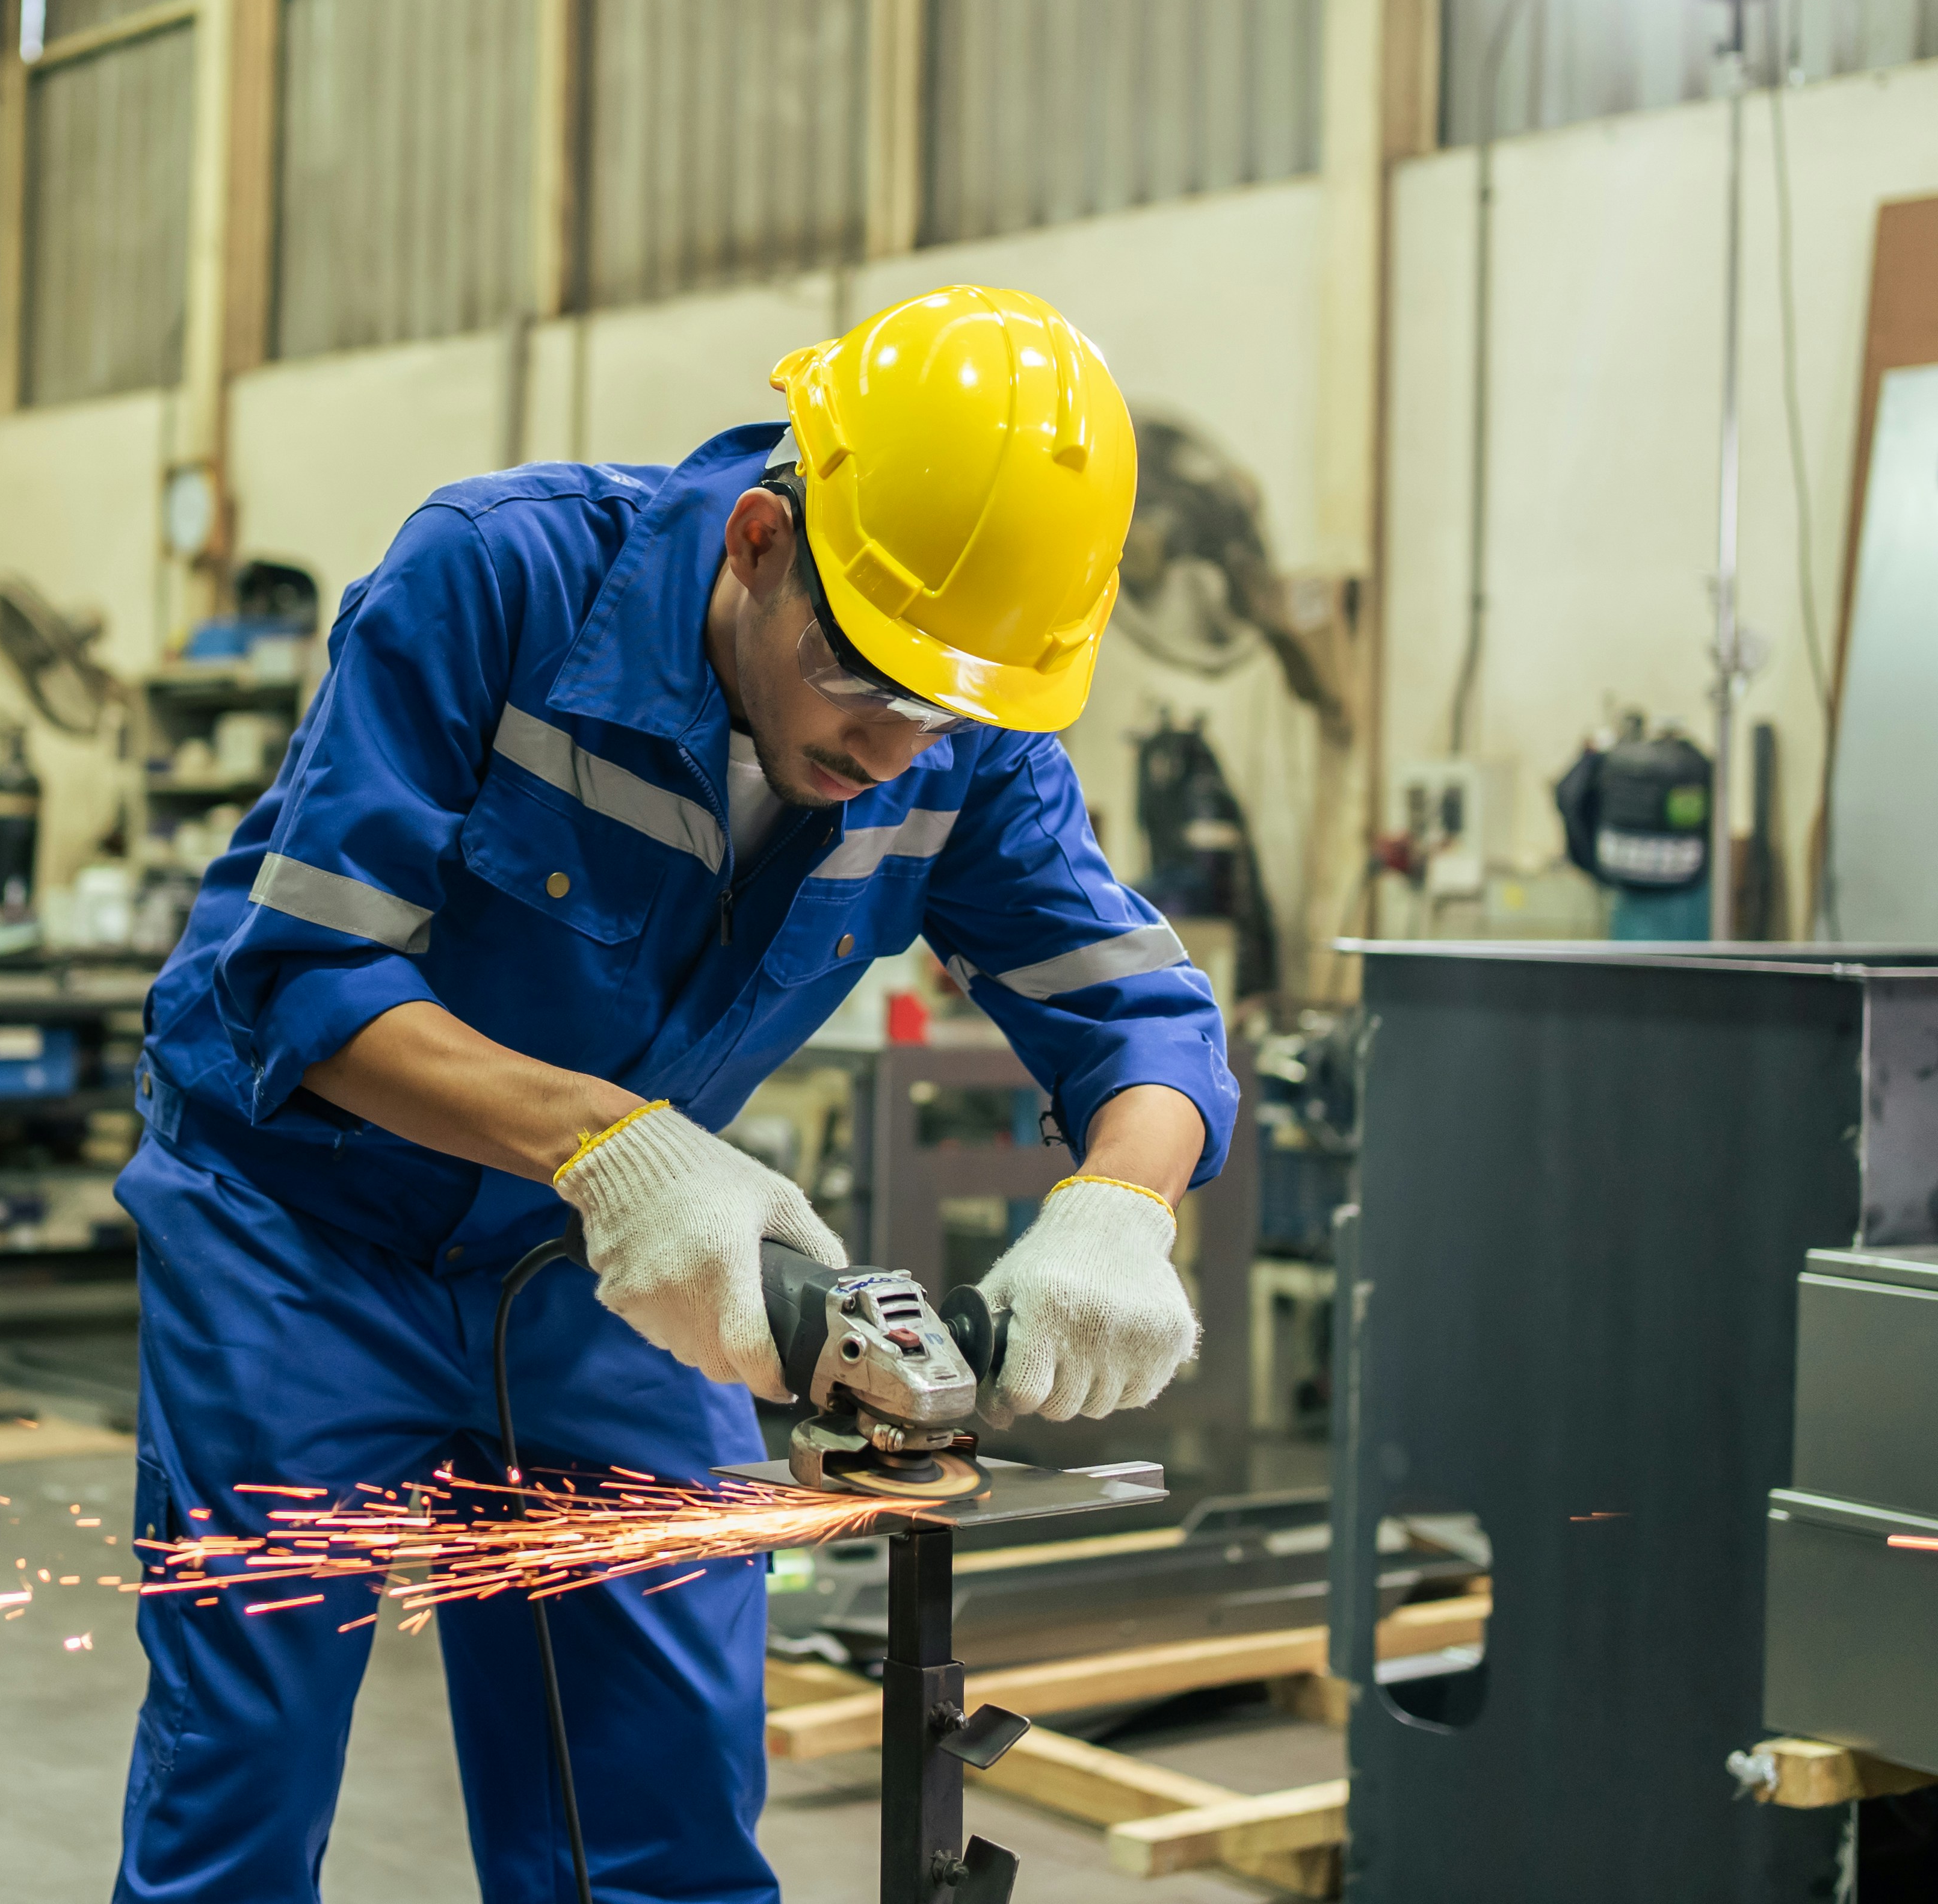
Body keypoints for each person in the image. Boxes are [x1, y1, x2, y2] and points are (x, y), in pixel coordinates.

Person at [113, 286, 1236, 1903]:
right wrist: (612, 1149)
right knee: (250, 1771)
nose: (898, 746)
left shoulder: (954, 740)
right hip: (299, 1235)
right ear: (762, 544)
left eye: (951, 708)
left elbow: (1140, 1016)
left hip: (598, 1281)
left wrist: (1123, 1203)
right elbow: (303, 979)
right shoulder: (497, 580)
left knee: (659, 1808)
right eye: (867, 682)